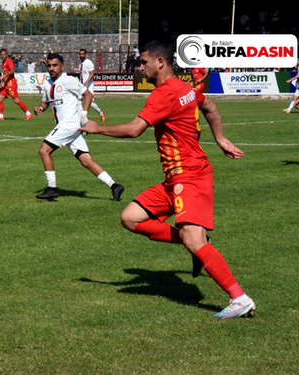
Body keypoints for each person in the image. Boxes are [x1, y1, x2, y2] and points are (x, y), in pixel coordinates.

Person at [80, 40, 255, 319]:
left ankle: (239, 298)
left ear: (160, 62)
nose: (140, 67)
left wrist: (96, 127)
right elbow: (209, 106)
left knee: (193, 239)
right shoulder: (184, 88)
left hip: (190, 175)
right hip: (175, 178)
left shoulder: (164, 94)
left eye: (143, 62)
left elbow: (135, 129)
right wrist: (220, 138)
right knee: (131, 218)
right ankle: (198, 243)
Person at [33, 53, 123, 201]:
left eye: (55, 65)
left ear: (62, 66)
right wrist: (40, 109)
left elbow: (88, 95)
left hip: (69, 124)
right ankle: (114, 186)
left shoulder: (69, 81)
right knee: (86, 160)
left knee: (44, 150)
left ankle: (52, 188)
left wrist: (84, 115)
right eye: (49, 65)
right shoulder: (47, 83)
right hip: (70, 128)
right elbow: (46, 102)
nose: (51, 68)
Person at [0, 48, 32, 121]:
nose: (3, 56)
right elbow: (5, 73)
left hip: (11, 84)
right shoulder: (3, 63)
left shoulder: (9, 61)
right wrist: (2, 81)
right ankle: (1, 116)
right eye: (1, 55)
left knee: (16, 100)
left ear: (6, 54)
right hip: (6, 84)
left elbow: (12, 71)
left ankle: (28, 113)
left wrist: (3, 77)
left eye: (4, 54)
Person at [79, 49, 105, 122]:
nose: (81, 56)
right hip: (82, 86)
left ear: (85, 54)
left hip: (88, 86)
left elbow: (92, 73)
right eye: (80, 54)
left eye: (82, 54)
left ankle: (100, 112)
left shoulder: (89, 63)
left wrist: (86, 82)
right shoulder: (80, 64)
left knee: (89, 103)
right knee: (78, 100)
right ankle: (81, 118)